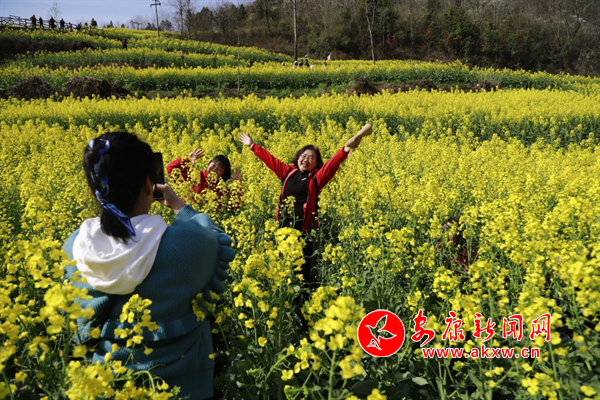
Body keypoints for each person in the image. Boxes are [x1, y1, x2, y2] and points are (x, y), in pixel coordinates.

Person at [64, 132, 234, 399]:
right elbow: (213, 237)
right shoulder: (184, 245)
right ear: (149, 185)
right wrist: (180, 207)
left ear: (94, 190)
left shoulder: (74, 247)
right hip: (183, 389)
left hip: (106, 386)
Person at [239, 124, 372, 285]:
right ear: (298, 157)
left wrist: (345, 150)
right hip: (283, 228)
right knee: (284, 269)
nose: (306, 160)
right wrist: (252, 145)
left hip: (304, 231)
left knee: (302, 272)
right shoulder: (288, 172)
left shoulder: (316, 178)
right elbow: (270, 160)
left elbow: (332, 165)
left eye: (311, 158)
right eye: (304, 156)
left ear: (316, 163)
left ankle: (303, 298)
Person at [167, 148, 242, 211]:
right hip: (186, 214)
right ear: (209, 163)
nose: (214, 170)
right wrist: (187, 158)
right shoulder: (195, 174)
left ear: (223, 174)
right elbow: (170, 169)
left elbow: (234, 207)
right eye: (213, 165)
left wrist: (237, 185)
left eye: (219, 169)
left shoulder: (221, 189)